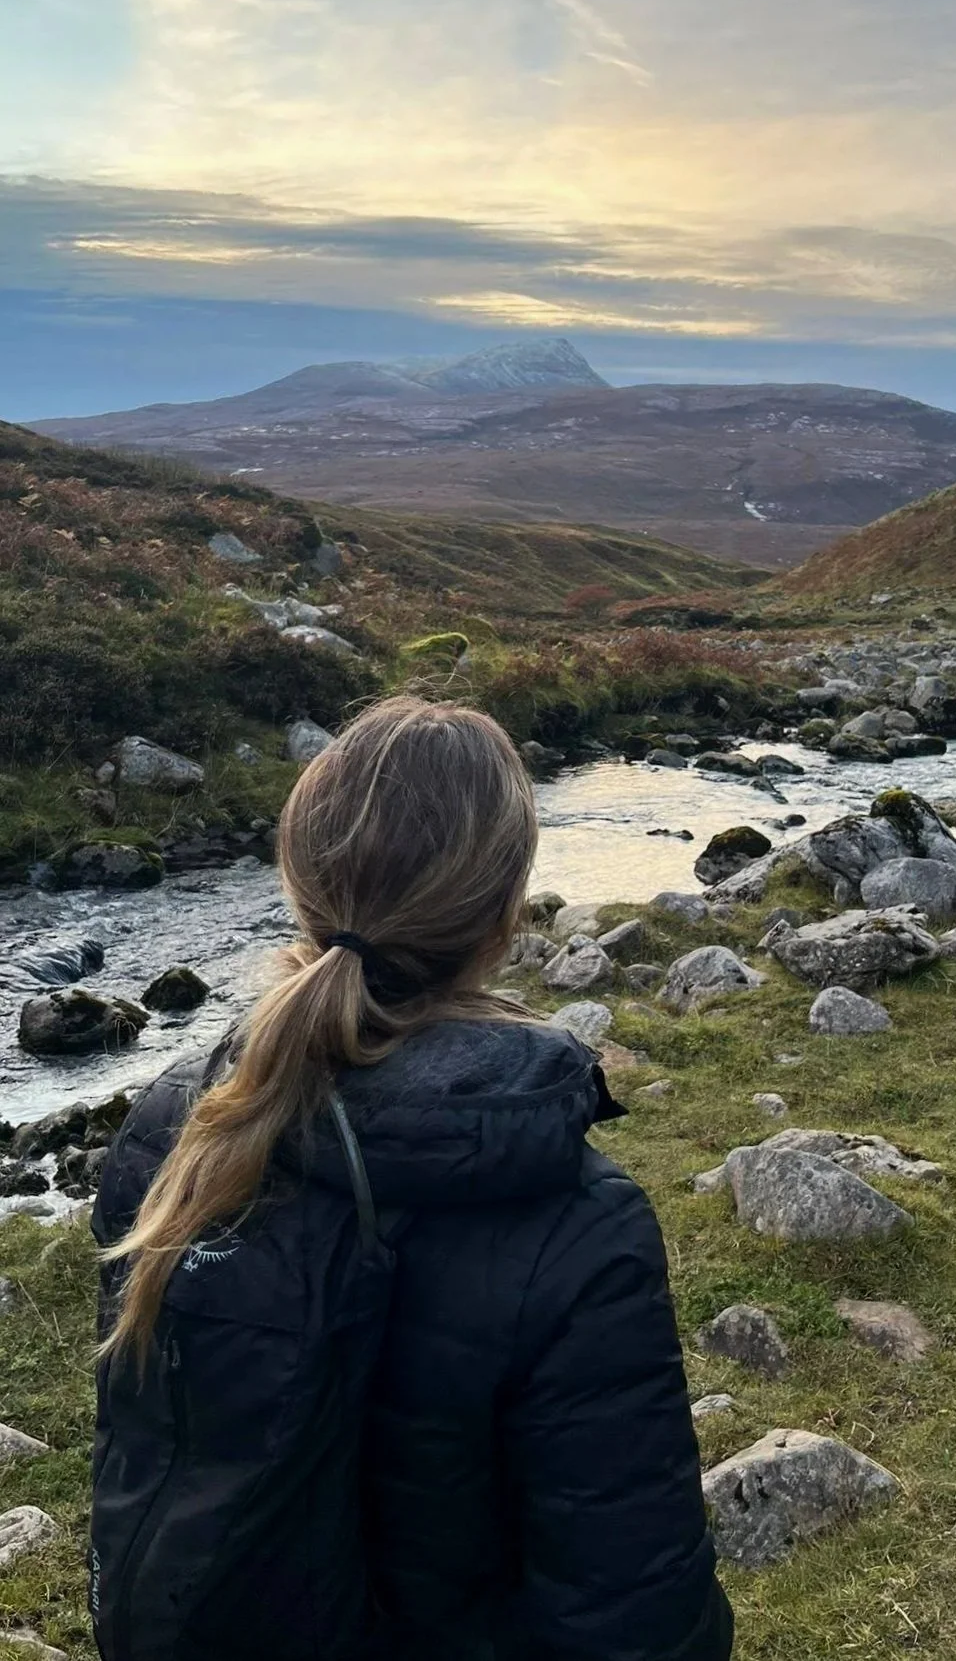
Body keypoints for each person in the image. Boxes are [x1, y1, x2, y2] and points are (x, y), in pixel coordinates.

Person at [90, 696, 733, 1661]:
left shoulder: (172, 1129)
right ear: (503, 911)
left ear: (299, 879)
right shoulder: (576, 1228)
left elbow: (146, 1465)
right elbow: (633, 1612)